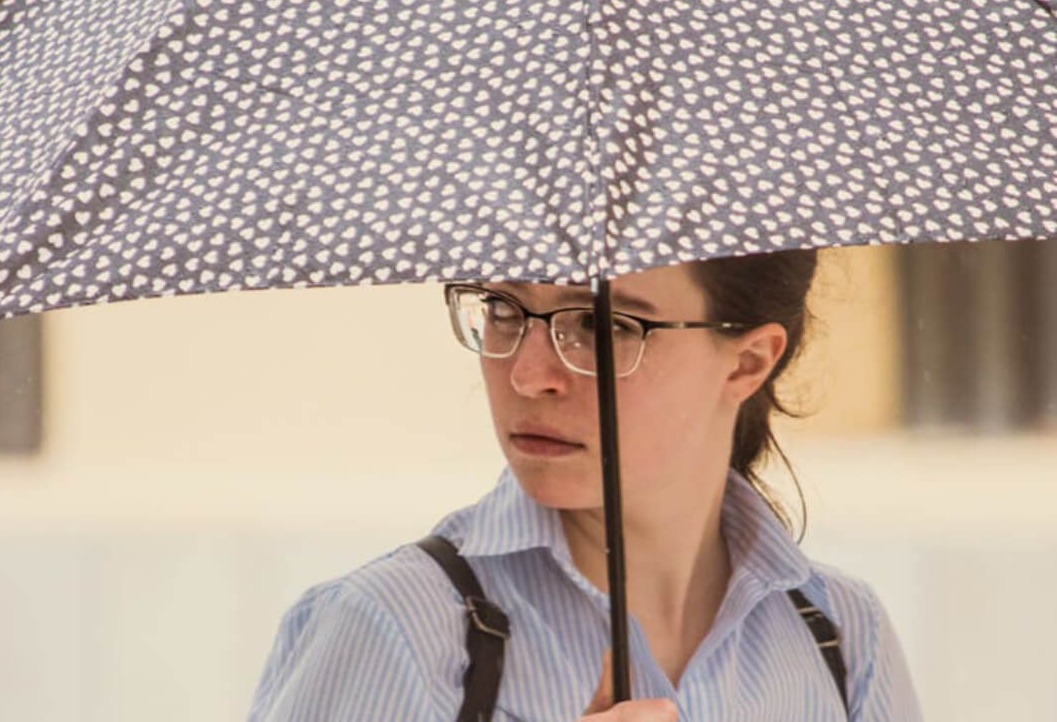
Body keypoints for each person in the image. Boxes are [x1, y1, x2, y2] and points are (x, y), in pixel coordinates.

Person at [246, 252, 923, 721]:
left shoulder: (838, 637)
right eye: (505, 309)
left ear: (747, 361)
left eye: (600, 325)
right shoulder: (397, 625)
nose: (528, 374)